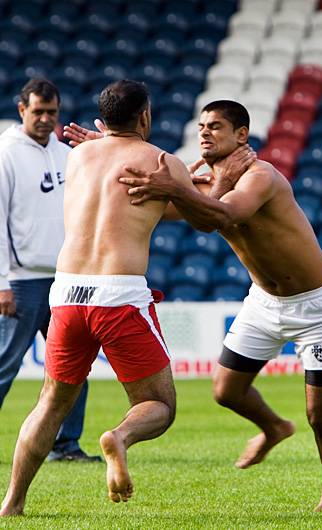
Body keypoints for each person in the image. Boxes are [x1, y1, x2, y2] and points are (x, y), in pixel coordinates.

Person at [0, 80, 255, 517]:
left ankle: (11, 503)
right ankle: (118, 437)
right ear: (144, 117)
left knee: (49, 403)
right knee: (158, 405)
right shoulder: (160, 161)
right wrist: (222, 180)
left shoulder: (77, 156)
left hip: (65, 292)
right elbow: (207, 218)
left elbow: (137, 190)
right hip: (118, 296)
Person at [113, 99, 322, 512]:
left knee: (320, 415)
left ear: (242, 135)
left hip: (316, 307)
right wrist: (111, 150)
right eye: (201, 125)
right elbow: (162, 207)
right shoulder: (203, 186)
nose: (204, 132)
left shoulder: (261, 176)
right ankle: (274, 427)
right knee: (225, 391)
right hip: (263, 302)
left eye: (216, 126)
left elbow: (224, 214)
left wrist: (177, 188)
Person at [0, 78, 101, 463]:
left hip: (67, 278)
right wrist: (1, 283)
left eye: (52, 112)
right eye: (38, 111)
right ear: (22, 109)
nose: (45, 119)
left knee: (74, 365)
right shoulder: (6, 153)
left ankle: (66, 445)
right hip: (21, 281)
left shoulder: (68, 154)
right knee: (4, 366)